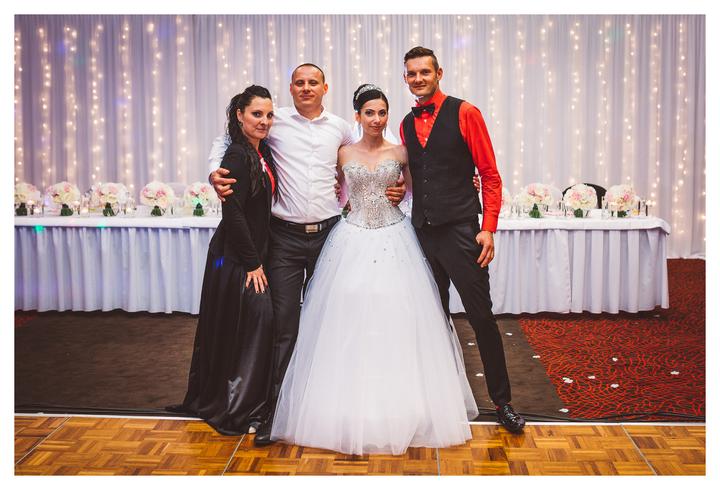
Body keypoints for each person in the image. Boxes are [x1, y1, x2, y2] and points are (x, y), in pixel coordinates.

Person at [270, 84, 478, 455]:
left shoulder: (400, 151)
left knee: (397, 313)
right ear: (358, 116)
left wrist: (456, 183)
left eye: (382, 112)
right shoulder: (343, 152)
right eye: (370, 112)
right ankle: (347, 402)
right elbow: (329, 187)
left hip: (395, 236)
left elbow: (420, 188)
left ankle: (403, 403)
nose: (377, 119)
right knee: (349, 313)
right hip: (351, 238)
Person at [207, 64, 406, 445]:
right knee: (284, 326)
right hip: (283, 238)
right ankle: (277, 410)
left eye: (313, 82)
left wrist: (396, 180)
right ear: (291, 88)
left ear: (325, 88)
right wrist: (214, 172)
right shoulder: (275, 121)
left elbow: (378, 137)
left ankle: (324, 406)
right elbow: (226, 139)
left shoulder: (340, 127)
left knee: (330, 323)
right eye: (299, 83)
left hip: (332, 237)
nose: (306, 88)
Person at [400, 46, 525, 433]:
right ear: (405, 78)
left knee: (481, 317)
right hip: (422, 233)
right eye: (411, 74)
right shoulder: (405, 124)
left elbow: (490, 174)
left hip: (461, 231)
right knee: (432, 319)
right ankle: (438, 401)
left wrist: (488, 227)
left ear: (439, 73)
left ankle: (502, 402)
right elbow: (416, 177)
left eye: (424, 72)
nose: (418, 79)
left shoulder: (466, 112)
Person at [169, 85, 277, 435]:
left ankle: (244, 401)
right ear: (240, 115)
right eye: (256, 114)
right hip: (236, 259)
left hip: (248, 255)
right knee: (254, 326)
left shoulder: (259, 152)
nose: (264, 121)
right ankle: (236, 407)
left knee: (244, 329)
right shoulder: (236, 155)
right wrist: (253, 263)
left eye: (269, 115)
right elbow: (234, 214)